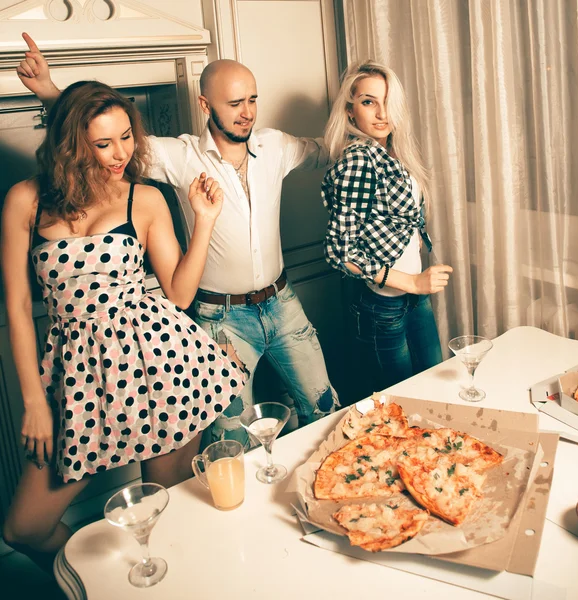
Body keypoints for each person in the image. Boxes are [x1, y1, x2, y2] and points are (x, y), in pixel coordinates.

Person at [16, 33, 339, 448]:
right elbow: (99, 132)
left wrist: (367, 123)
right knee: (231, 443)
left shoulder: (276, 146)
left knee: (325, 409)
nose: (247, 113)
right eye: (235, 103)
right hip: (222, 319)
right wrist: (49, 92)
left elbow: (326, 150)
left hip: (284, 304)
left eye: (253, 100)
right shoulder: (177, 155)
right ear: (205, 105)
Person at [0, 79, 247, 569]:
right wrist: (33, 401)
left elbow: (178, 294)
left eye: (126, 137)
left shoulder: (144, 198)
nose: (120, 153)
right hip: (78, 378)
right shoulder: (26, 200)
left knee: (170, 515)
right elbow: (17, 306)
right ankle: (98, 583)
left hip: (161, 364)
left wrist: (204, 221)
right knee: (24, 528)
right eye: (103, 142)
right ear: (71, 142)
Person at [321, 60, 453, 394]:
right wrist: (412, 280)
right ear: (350, 112)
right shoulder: (358, 160)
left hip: (410, 299)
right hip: (385, 306)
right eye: (369, 102)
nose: (381, 113)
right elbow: (340, 254)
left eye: (387, 102)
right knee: (404, 405)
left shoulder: (389, 152)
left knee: (434, 391)